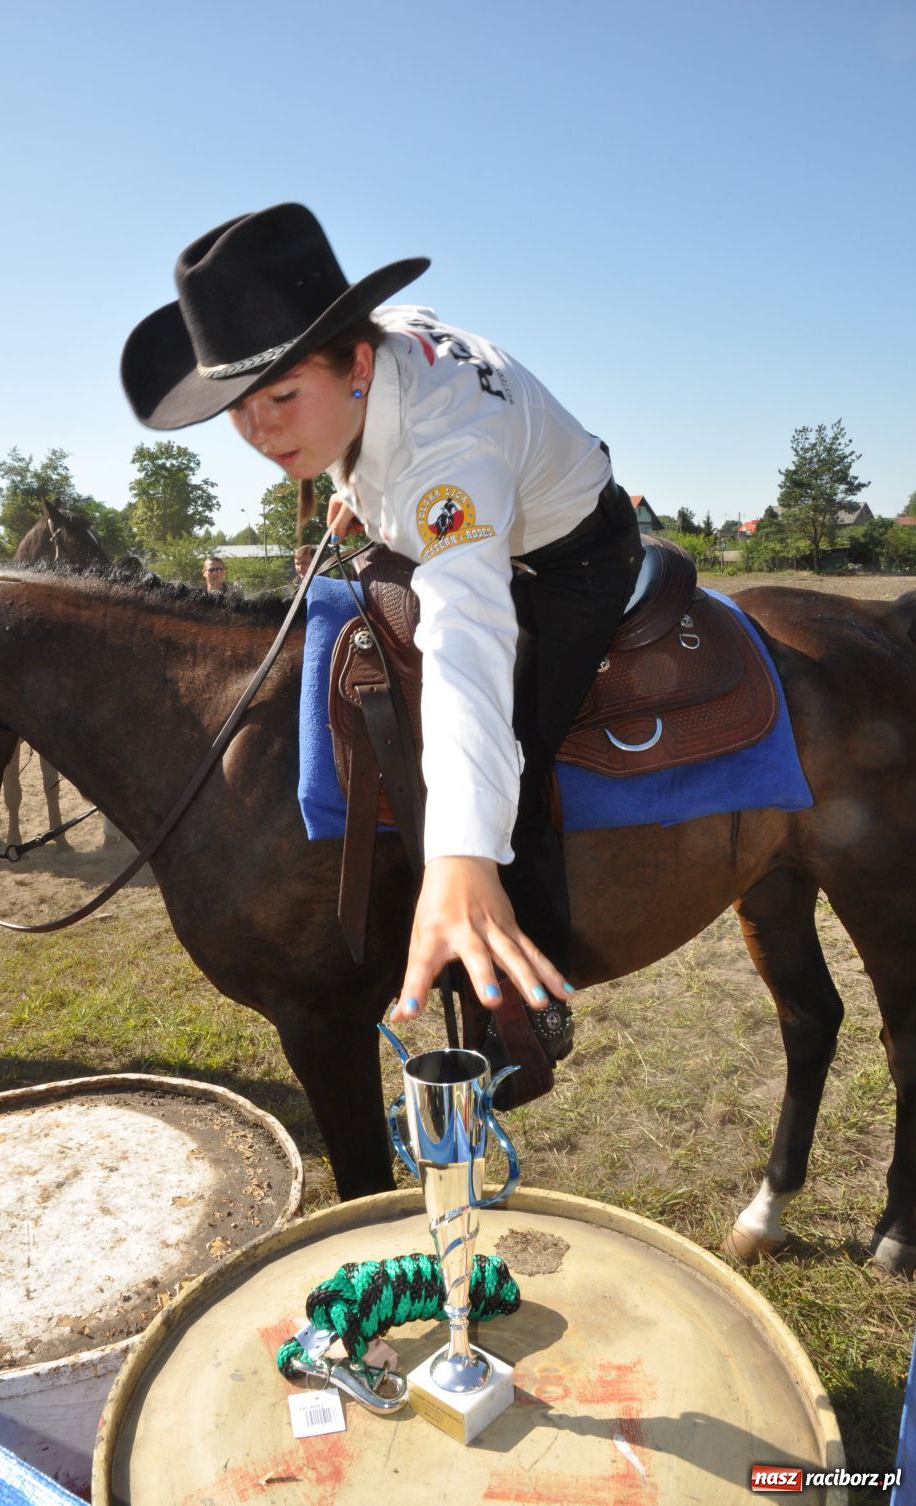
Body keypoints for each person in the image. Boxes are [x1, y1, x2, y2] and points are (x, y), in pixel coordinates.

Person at [121, 203, 641, 1047]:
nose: (260, 433)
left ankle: (525, 984)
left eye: (283, 397)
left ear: (355, 363)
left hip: (567, 562)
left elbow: (466, 634)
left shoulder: (449, 457)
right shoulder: (374, 349)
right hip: (470, 506)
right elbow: (369, 416)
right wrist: (357, 485)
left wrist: (463, 853)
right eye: (238, 409)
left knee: (514, 735)